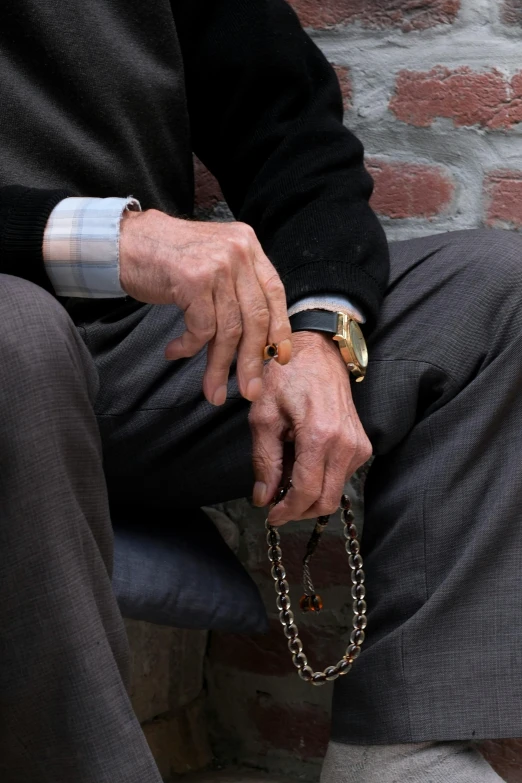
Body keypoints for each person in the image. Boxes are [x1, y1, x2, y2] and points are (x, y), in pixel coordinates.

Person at [0, 1, 519, 782]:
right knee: (15, 331)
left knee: (497, 294)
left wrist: (319, 330)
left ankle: (404, 753)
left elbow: (291, 130)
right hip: (13, 334)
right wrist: (108, 236)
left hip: (142, 353)